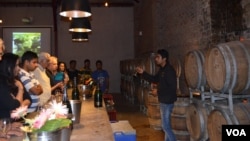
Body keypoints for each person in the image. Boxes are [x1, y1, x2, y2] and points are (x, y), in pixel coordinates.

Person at [135, 49, 177, 141]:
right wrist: (143, 73)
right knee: (166, 126)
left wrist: (158, 91)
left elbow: (172, 87)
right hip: (163, 100)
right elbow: (154, 78)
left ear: (164, 58)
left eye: (158, 57)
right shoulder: (162, 70)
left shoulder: (169, 71)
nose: (156, 59)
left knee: (165, 126)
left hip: (168, 101)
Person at [0, 53, 31, 118]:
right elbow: (14, 105)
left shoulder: (16, 79)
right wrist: (20, 89)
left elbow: (28, 99)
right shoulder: (2, 82)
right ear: (8, 67)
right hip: (5, 123)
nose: (19, 68)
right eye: (16, 65)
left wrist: (19, 109)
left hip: (17, 119)